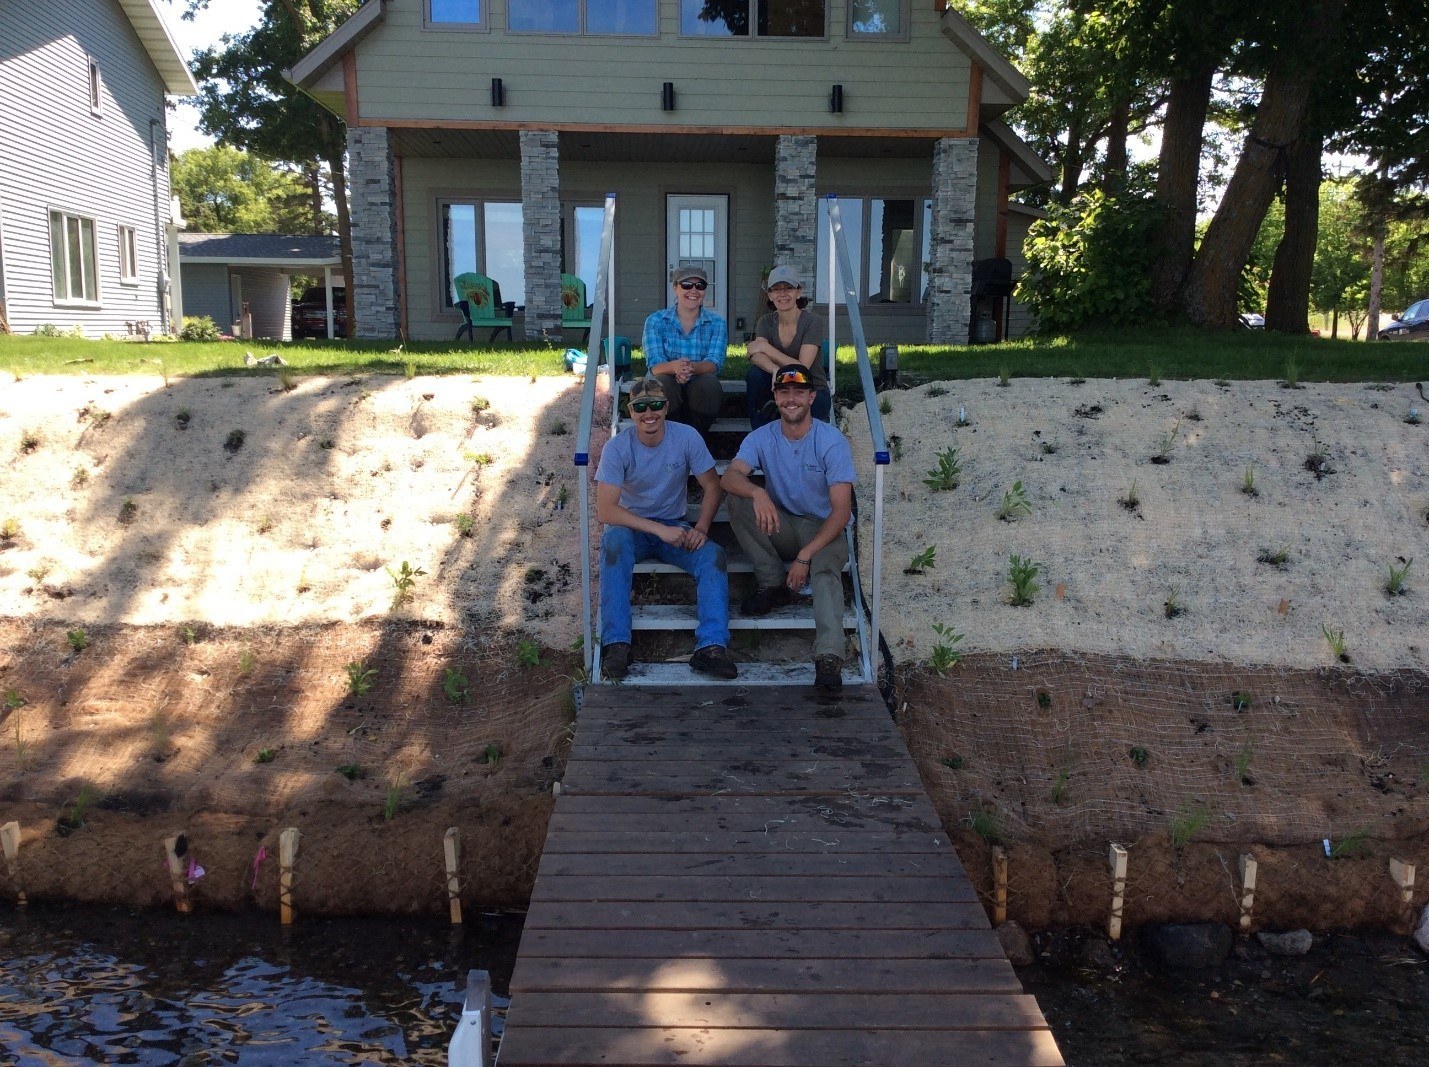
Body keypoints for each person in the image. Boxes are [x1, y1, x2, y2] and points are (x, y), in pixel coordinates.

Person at [721, 365, 855, 693]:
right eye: (784, 392)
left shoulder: (830, 440)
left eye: (799, 392)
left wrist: (806, 555)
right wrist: (758, 491)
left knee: (824, 573)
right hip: (786, 525)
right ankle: (771, 583)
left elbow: (841, 512)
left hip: (826, 531)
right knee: (738, 501)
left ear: (812, 396)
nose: (791, 399)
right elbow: (729, 476)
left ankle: (828, 656)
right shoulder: (762, 437)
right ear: (775, 397)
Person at [595, 376, 737, 682]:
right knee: (613, 544)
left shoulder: (686, 437)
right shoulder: (617, 448)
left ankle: (711, 647)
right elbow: (606, 510)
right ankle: (616, 645)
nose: (650, 413)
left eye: (656, 405)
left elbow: (713, 485)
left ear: (667, 407)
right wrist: (658, 530)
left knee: (713, 557)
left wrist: (701, 527)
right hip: (631, 526)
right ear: (630, 411)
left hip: (675, 525)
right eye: (641, 407)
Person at [641, 266, 726, 438]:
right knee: (662, 382)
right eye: (686, 285)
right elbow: (655, 366)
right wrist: (675, 367)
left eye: (700, 286)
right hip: (668, 382)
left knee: (709, 384)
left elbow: (714, 363)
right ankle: (672, 440)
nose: (693, 290)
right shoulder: (656, 321)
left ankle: (696, 440)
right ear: (675, 288)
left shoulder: (717, 322)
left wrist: (690, 368)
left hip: (698, 383)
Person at [745, 265, 830, 429]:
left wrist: (766, 348)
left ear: (798, 292)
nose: (782, 294)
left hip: (811, 389)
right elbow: (755, 354)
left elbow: (802, 367)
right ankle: (758, 438)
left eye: (788, 288)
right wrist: (776, 371)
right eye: (776, 289)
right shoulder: (766, 321)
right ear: (769, 295)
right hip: (778, 389)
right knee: (755, 375)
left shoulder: (813, 322)